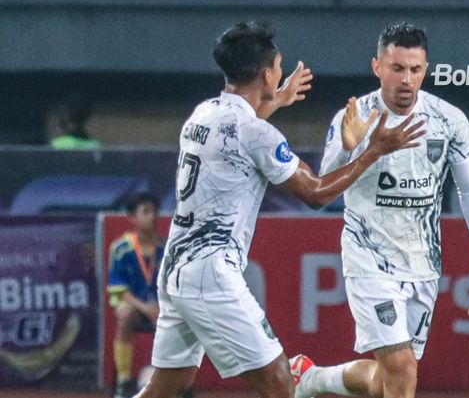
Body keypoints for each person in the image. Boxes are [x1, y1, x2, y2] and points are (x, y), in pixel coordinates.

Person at [136, 21, 425, 398]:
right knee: (280, 383)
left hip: (175, 268)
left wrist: (275, 101)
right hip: (211, 274)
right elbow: (316, 194)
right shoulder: (257, 134)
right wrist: (375, 150)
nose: (281, 72)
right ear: (265, 74)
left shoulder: (202, 114)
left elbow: (238, 135)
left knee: (165, 387)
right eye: (278, 66)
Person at [290, 22, 469, 398]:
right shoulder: (353, 119)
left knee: (389, 380)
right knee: (401, 370)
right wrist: (350, 147)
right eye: (397, 68)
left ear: (426, 70)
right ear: (377, 67)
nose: (406, 79)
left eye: (415, 70)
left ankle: (313, 379)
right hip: (369, 259)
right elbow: (321, 192)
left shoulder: (448, 120)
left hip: (423, 265)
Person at [107, 193, 165, 398]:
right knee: (125, 314)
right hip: (133, 305)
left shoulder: (165, 249)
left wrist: (161, 308)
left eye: (155, 211)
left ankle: (171, 379)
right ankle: (123, 381)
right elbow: (119, 290)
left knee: (180, 319)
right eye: (146, 211)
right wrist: (145, 308)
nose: (152, 216)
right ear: (133, 218)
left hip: (160, 307)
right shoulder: (121, 249)